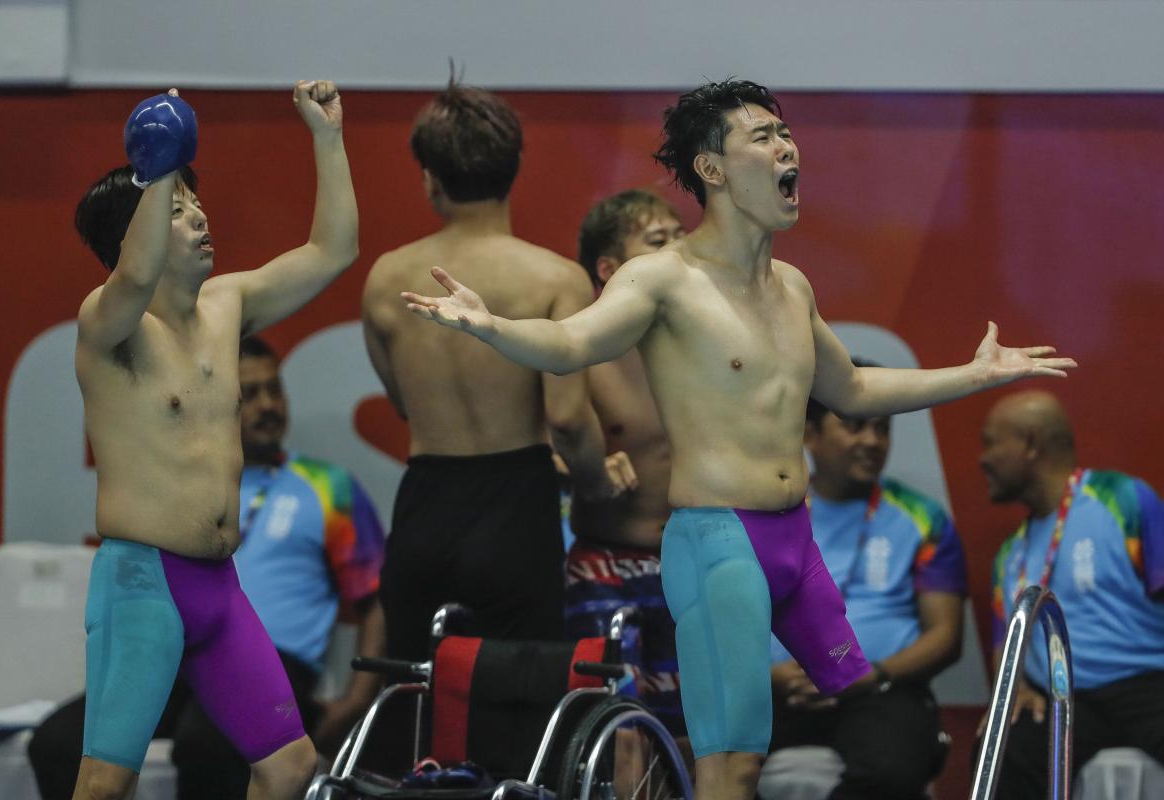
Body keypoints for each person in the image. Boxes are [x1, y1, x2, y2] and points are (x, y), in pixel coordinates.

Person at [399, 79, 1075, 800]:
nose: (787, 147)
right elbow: (570, 344)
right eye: (763, 136)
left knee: (865, 708)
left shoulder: (794, 286)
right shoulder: (661, 279)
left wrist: (972, 375)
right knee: (731, 761)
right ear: (712, 169)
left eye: (786, 134)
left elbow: (854, 391)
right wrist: (493, 325)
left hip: (796, 542)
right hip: (719, 542)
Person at [67, 81, 357, 800]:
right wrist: (154, 163)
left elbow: (334, 250)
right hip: (143, 585)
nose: (197, 216)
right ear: (135, 233)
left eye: (194, 202)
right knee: (104, 784)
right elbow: (134, 275)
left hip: (219, 589)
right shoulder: (110, 326)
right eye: (174, 209)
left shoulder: (227, 306)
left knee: (290, 766)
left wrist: (327, 137)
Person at [28, 336, 386, 799]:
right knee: (56, 742)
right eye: (249, 395)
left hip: (273, 663)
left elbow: (375, 597)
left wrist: (357, 700)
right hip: (175, 654)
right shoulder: (185, 488)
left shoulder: (327, 486)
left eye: (274, 390)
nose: (267, 406)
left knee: (208, 744)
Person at [361, 76, 631, 666]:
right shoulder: (554, 278)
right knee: (513, 714)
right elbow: (566, 419)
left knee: (416, 704)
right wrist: (594, 482)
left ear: (430, 178)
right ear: (514, 168)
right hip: (517, 508)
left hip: (425, 507)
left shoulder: (387, 278)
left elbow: (404, 403)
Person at [765, 370, 968, 799]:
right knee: (711, 761)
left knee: (892, 773)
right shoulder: (769, 512)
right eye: (855, 425)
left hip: (878, 690)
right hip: (777, 691)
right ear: (810, 434)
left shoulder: (920, 517)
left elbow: (946, 637)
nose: (872, 442)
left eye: (882, 428)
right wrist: (767, 676)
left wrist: (871, 674)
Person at [979, 390, 1164, 800]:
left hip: (1147, 686)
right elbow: (1002, 648)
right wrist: (1017, 688)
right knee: (1003, 748)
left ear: (1029, 443)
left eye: (991, 443)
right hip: (1063, 702)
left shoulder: (1123, 499)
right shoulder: (1010, 553)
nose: (983, 459)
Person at [565, 189, 688, 744]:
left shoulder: (702, 345)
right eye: (660, 242)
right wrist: (584, 465)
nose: (681, 252)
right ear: (610, 269)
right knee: (618, 734)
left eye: (683, 236)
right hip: (606, 567)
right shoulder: (579, 348)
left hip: (688, 559)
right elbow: (535, 445)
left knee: (691, 731)